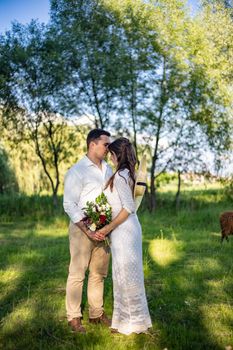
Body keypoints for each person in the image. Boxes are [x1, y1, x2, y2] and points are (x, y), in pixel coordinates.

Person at [95, 137, 152, 335]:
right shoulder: (127, 173)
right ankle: (127, 321)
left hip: (125, 230)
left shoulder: (120, 176)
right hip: (127, 229)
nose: (109, 157)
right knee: (123, 276)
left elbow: (128, 207)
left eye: (111, 154)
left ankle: (133, 323)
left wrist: (107, 228)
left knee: (126, 276)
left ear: (116, 154)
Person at [63, 128, 112, 333]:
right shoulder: (77, 171)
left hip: (104, 229)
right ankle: (74, 317)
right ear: (92, 144)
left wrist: (107, 227)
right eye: (105, 144)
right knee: (77, 273)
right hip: (81, 228)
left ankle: (96, 314)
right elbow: (69, 204)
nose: (108, 149)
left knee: (98, 274)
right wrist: (87, 229)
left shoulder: (108, 169)